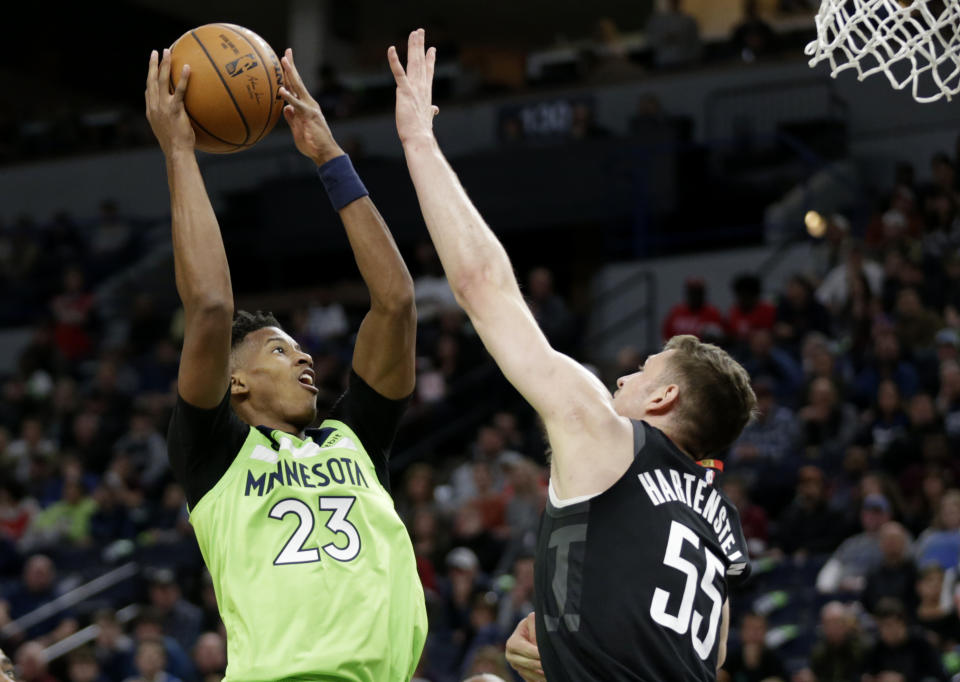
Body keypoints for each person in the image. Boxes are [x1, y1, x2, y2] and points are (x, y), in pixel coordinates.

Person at [390, 29, 755, 682]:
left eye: (641, 371)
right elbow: (713, 652)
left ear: (664, 399)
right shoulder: (718, 516)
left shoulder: (612, 438)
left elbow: (483, 287)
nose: (621, 376)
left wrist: (419, 140)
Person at [144, 45, 425, 680]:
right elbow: (213, 306)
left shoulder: (354, 438)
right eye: (279, 349)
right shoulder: (213, 452)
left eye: (301, 349)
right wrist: (180, 152)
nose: (305, 359)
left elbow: (396, 300)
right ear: (233, 380)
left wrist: (330, 157)